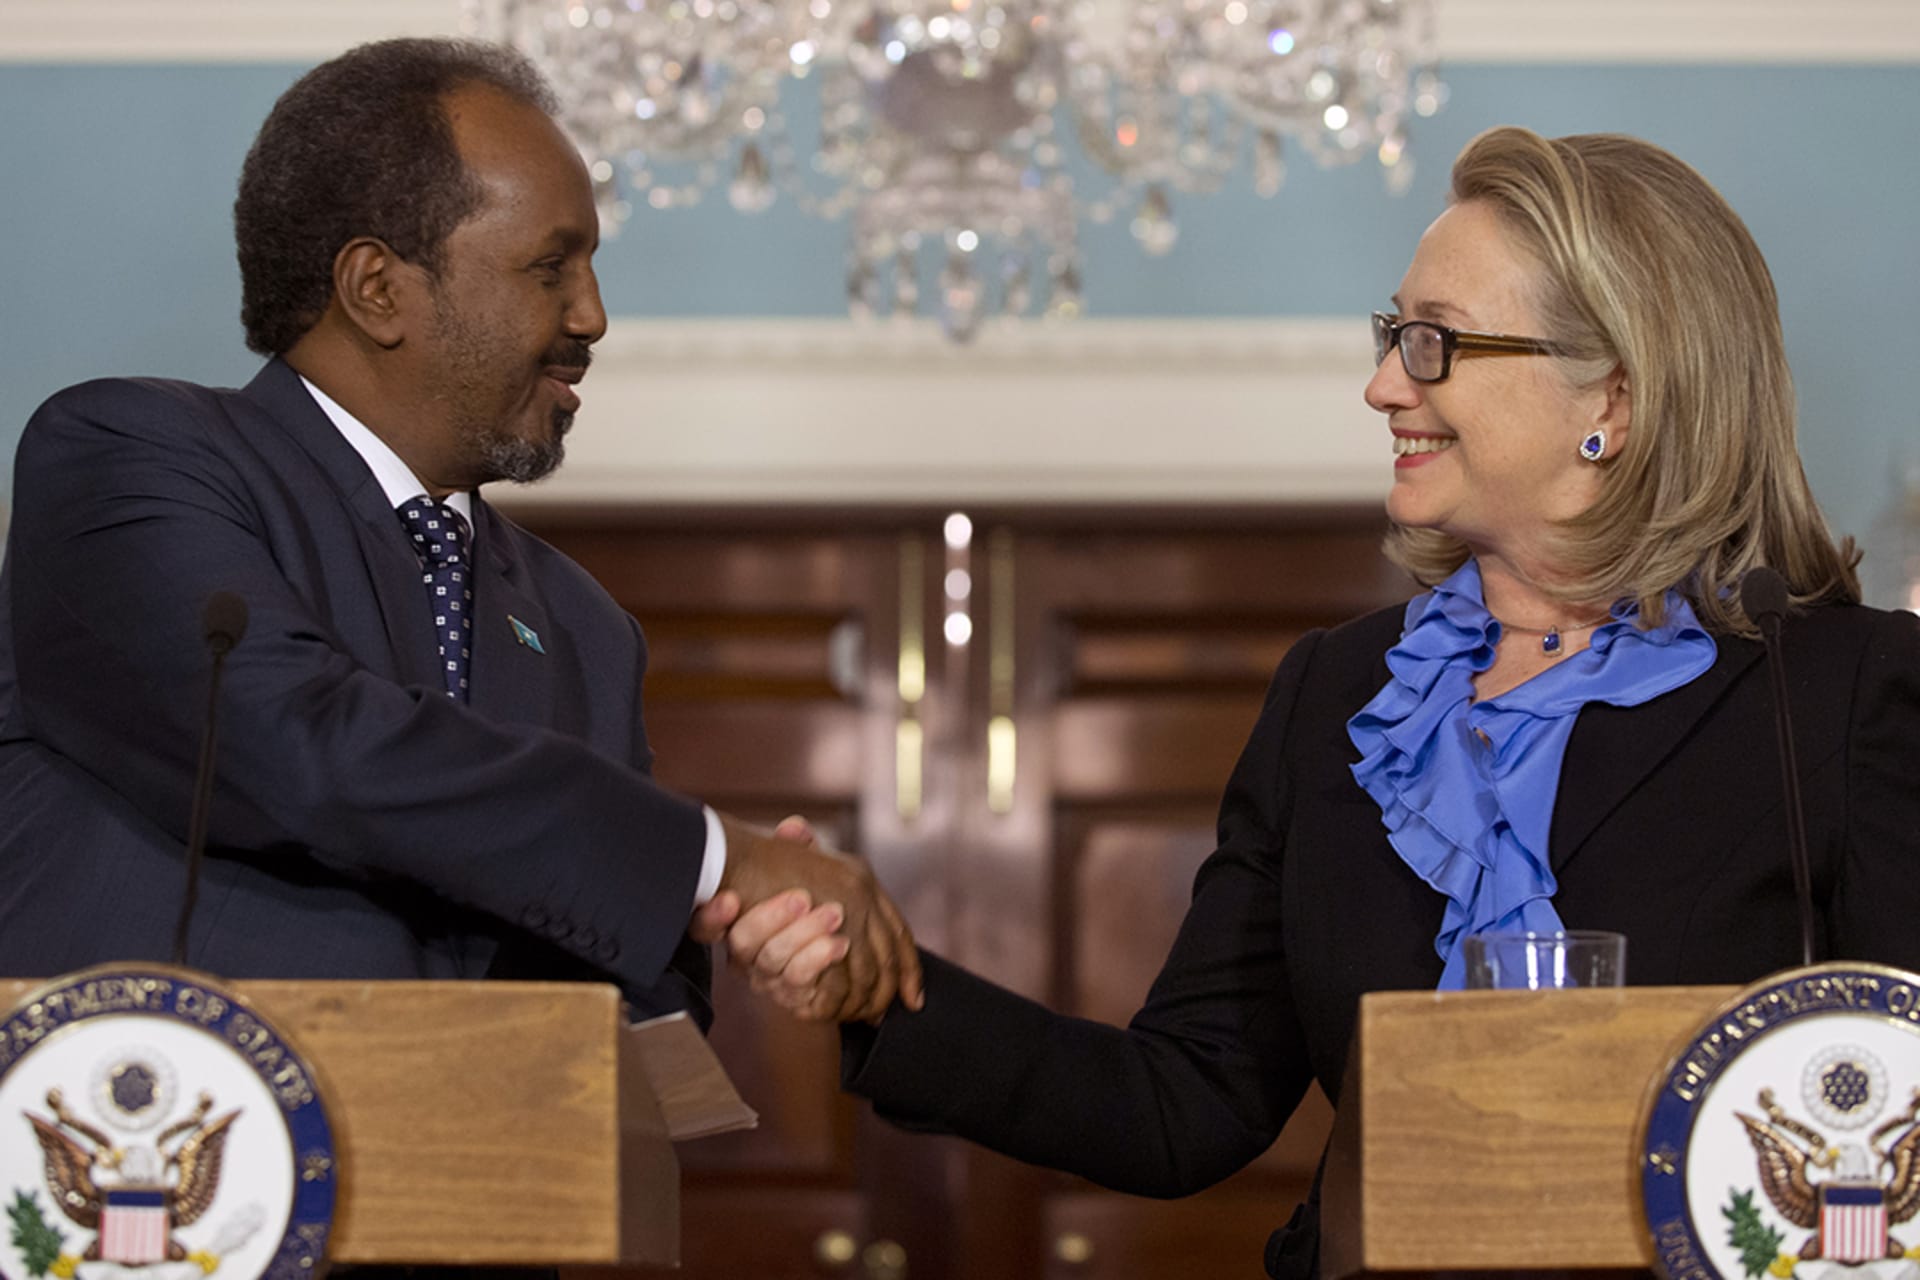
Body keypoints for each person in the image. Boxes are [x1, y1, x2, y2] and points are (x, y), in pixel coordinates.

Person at [705, 126, 1920, 1277]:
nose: (1384, 383)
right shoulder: (1339, 692)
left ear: (1613, 396)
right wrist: (885, 985)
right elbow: (1182, 1102)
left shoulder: (1842, 694)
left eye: (1437, 341)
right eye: (1393, 334)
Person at [0, 37, 920, 1027]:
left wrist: (739, 921)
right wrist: (713, 855)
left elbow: (634, 997)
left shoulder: (581, 623)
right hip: (162, 1148)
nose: (594, 316)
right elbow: (301, 743)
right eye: (550, 266)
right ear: (378, 289)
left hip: (485, 1173)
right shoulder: (130, 456)